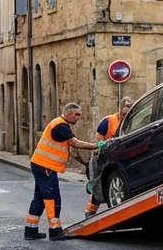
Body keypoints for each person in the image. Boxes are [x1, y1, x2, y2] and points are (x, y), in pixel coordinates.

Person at [25, 102, 106, 240]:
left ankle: (30, 230)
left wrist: (84, 163)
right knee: (52, 197)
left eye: (79, 115)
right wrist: (96, 146)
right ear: (68, 113)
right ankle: (55, 230)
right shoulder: (60, 125)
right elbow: (75, 143)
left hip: (41, 165)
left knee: (39, 198)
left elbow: (71, 149)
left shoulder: (61, 125)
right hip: (45, 166)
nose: (78, 118)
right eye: (76, 114)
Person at [83, 97, 132, 217]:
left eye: (129, 106)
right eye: (124, 106)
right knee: (99, 182)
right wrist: (99, 148)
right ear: (120, 107)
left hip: (121, 156)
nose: (126, 109)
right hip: (106, 156)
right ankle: (90, 211)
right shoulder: (108, 121)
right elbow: (99, 139)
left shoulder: (131, 121)